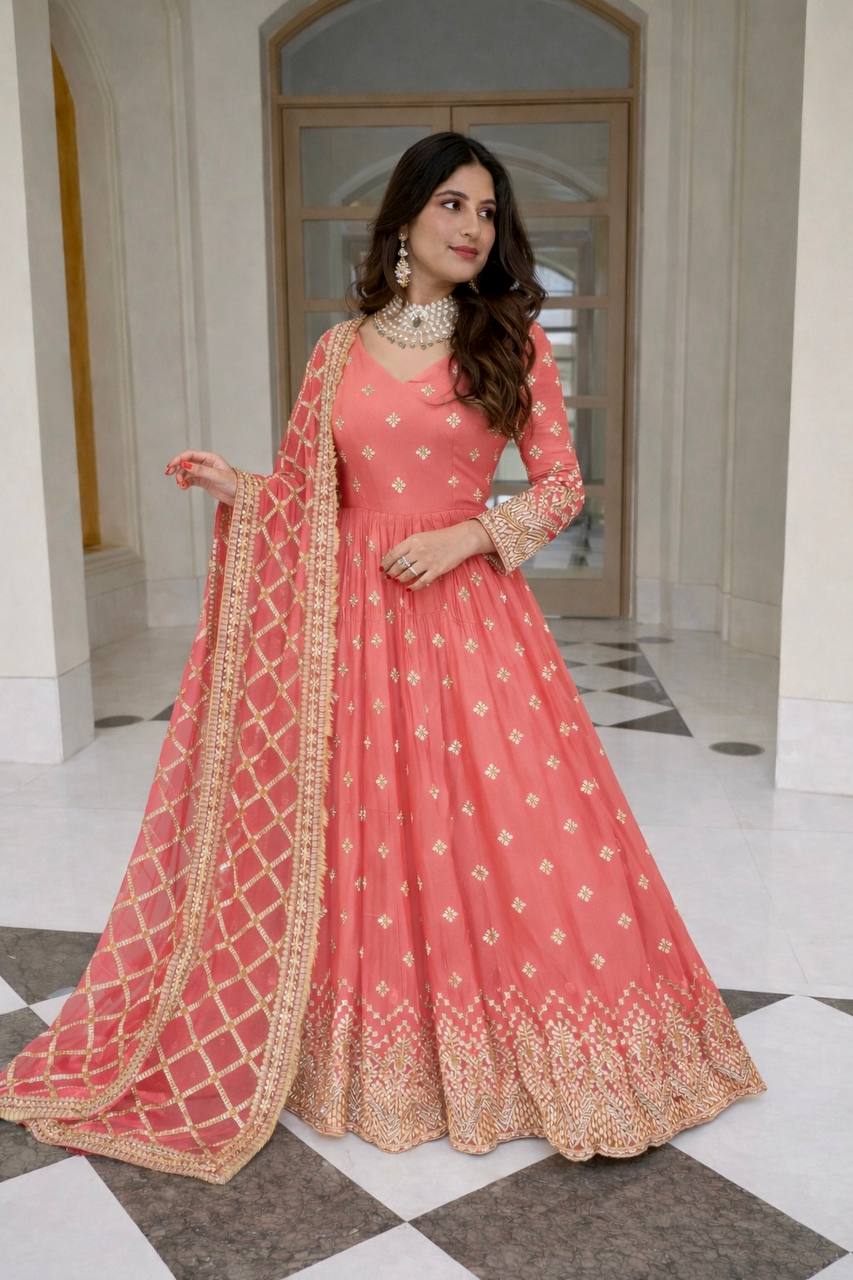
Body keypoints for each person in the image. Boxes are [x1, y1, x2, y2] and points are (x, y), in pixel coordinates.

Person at [0, 132, 766, 1182]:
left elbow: (560, 488)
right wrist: (243, 492)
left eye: (487, 211)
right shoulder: (336, 351)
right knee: (359, 820)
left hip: (467, 619)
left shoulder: (509, 340)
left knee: (502, 825)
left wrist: (470, 535)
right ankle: (352, 1044)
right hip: (347, 625)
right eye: (451, 204)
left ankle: (546, 1050)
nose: (471, 227)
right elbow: (314, 497)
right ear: (404, 218)